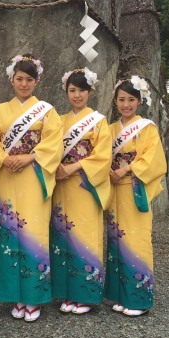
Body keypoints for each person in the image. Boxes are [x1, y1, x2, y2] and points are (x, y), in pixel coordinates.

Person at [0, 54, 63, 322]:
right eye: (19, 79)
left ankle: (34, 297)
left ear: (37, 81)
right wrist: (5, 158)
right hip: (8, 174)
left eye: (29, 79)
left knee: (34, 234)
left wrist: (29, 156)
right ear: (12, 80)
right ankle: (14, 295)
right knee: (9, 234)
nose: (24, 84)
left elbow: (55, 142)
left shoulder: (47, 111)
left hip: (34, 174)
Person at [50, 68, 112, 315]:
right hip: (62, 185)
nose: (77, 95)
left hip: (85, 184)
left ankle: (85, 295)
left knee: (84, 235)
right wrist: (57, 168)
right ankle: (66, 292)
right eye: (72, 90)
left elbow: (103, 155)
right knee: (63, 236)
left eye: (82, 90)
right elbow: (49, 149)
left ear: (90, 92)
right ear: (66, 92)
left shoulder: (98, 121)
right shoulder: (59, 121)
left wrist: (73, 166)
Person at [104, 76, 167, 317]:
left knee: (136, 240)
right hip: (114, 188)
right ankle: (121, 295)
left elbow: (153, 159)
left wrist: (126, 169)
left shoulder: (147, 128)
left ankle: (139, 299)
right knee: (116, 240)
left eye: (131, 99)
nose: (126, 104)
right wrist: (108, 170)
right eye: (121, 99)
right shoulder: (110, 129)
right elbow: (101, 155)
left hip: (133, 187)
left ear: (139, 101)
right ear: (115, 101)